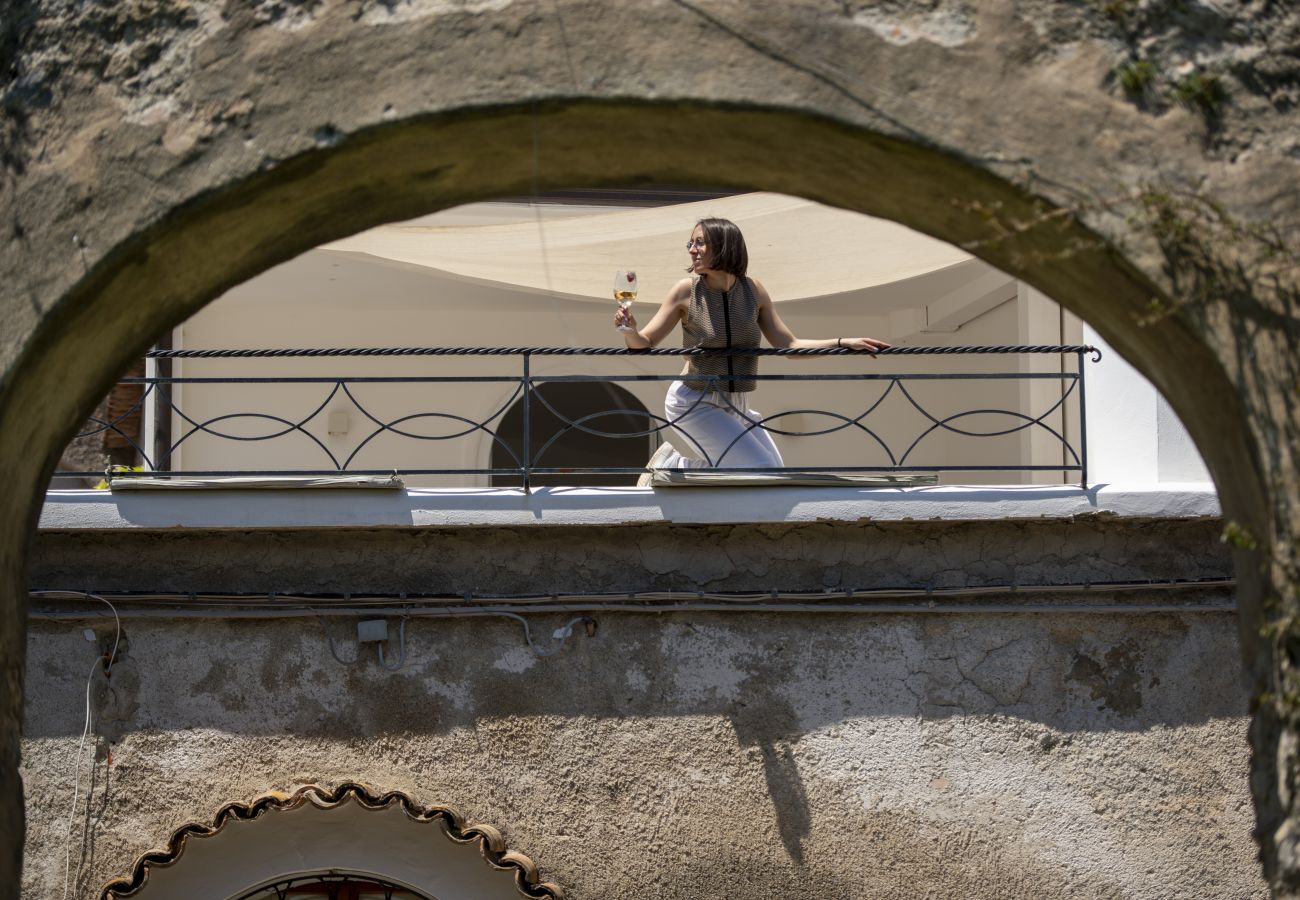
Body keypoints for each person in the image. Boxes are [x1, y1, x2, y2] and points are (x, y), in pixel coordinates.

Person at [614, 217, 891, 471]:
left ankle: (674, 466)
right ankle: (672, 466)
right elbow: (644, 343)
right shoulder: (687, 291)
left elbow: (789, 345)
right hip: (695, 400)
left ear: (723, 245)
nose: (692, 249)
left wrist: (842, 343)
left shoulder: (753, 291)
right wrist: (630, 330)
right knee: (759, 469)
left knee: (773, 474)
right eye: (691, 243)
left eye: (700, 242)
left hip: (739, 402)